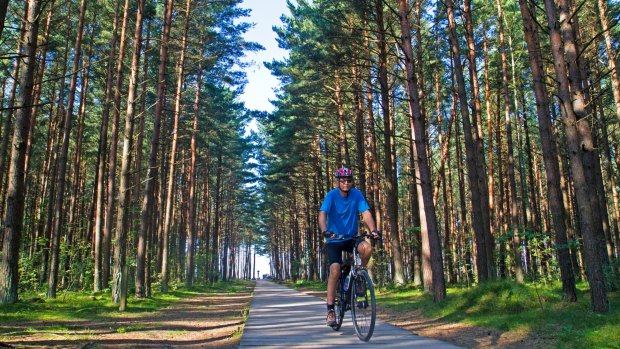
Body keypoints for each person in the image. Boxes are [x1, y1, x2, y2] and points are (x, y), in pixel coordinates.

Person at [318, 166, 380, 327]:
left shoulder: (356, 194)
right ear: (338, 182)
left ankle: (358, 276)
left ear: (352, 182)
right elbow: (322, 214)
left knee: (367, 248)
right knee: (335, 270)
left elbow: (366, 213)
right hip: (334, 239)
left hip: (351, 237)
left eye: (349, 180)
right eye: (343, 180)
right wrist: (325, 230)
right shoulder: (331, 195)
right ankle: (331, 310)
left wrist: (373, 230)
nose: (346, 183)